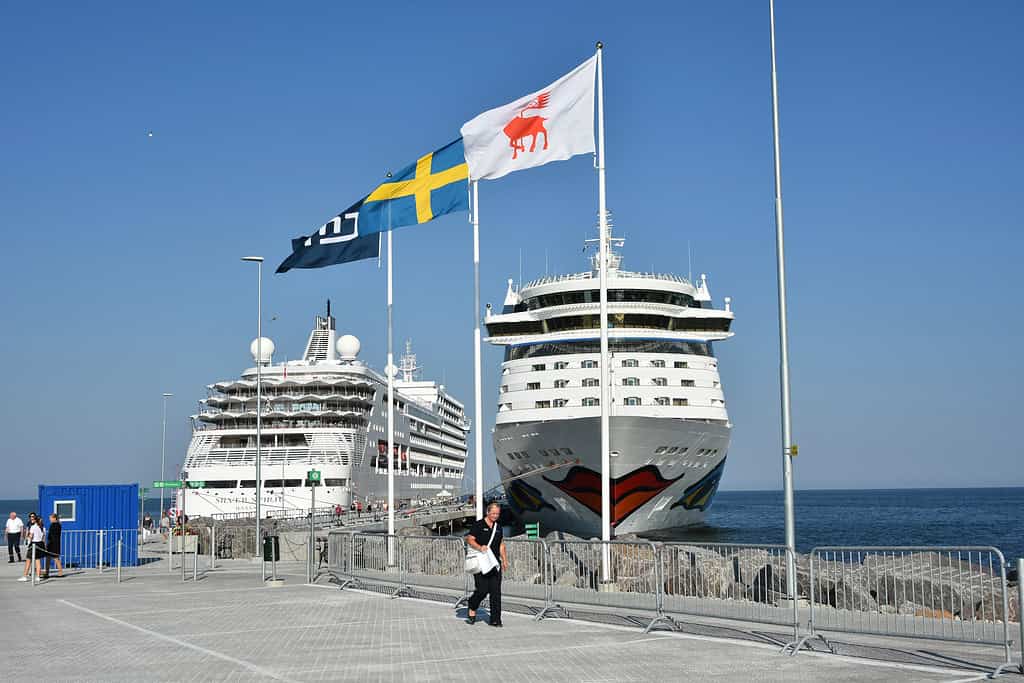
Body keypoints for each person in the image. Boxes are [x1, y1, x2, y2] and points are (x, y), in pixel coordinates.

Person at [465, 502, 508, 627]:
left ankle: (495, 620)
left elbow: (501, 544)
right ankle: (472, 604)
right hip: (481, 563)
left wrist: (504, 560)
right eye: (493, 513)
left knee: (495, 592)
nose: (495, 516)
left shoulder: (498, 527)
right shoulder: (478, 525)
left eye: (497, 514)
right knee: (482, 590)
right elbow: (470, 539)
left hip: (494, 564)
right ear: (487, 512)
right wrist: (480, 547)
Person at [19, 513, 45, 581]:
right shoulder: (42, 528)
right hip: (40, 544)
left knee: (28, 560)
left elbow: (31, 536)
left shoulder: (33, 527)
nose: (32, 519)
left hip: (34, 544)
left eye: (34, 519)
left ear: (36, 520)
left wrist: (26, 536)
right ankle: (38, 577)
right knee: (38, 561)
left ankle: (24, 576)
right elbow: (43, 538)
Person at [42, 513, 62, 578]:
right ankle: (47, 572)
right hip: (51, 543)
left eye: (50, 518)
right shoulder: (54, 524)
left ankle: (60, 572)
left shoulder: (56, 525)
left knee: (56, 558)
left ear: (54, 518)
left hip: (54, 543)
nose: (49, 519)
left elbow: (53, 535)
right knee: (48, 558)